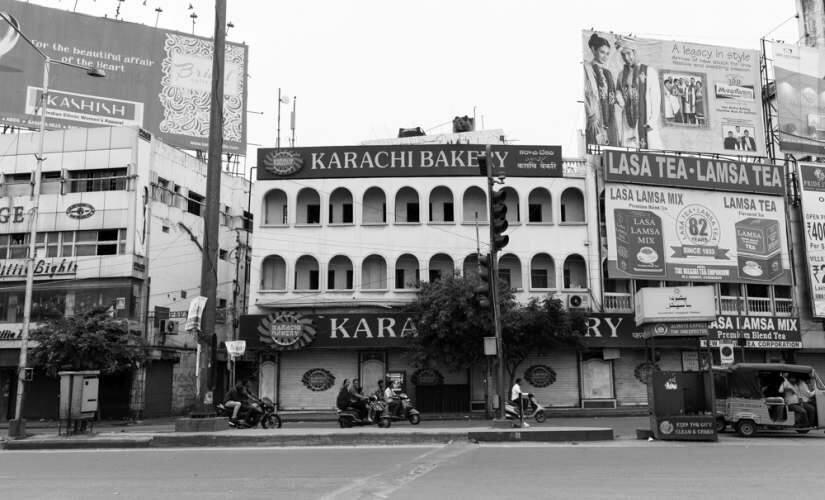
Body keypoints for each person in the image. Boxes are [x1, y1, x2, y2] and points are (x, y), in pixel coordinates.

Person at [615, 38, 662, 149]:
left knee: (650, 152)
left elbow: (656, 98)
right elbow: (618, 90)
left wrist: (652, 121)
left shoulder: (649, 72)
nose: (626, 58)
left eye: (628, 53)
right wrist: (619, 97)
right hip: (628, 120)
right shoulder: (621, 74)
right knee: (628, 150)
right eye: (623, 55)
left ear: (635, 52)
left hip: (644, 119)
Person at [583, 33, 620, 146]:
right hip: (595, 117)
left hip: (608, 117)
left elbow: (612, 97)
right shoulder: (586, 68)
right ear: (593, 50)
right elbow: (582, 94)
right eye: (602, 52)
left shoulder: (607, 73)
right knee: (596, 153)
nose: (605, 56)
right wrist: (590, 114)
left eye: (607, 53)